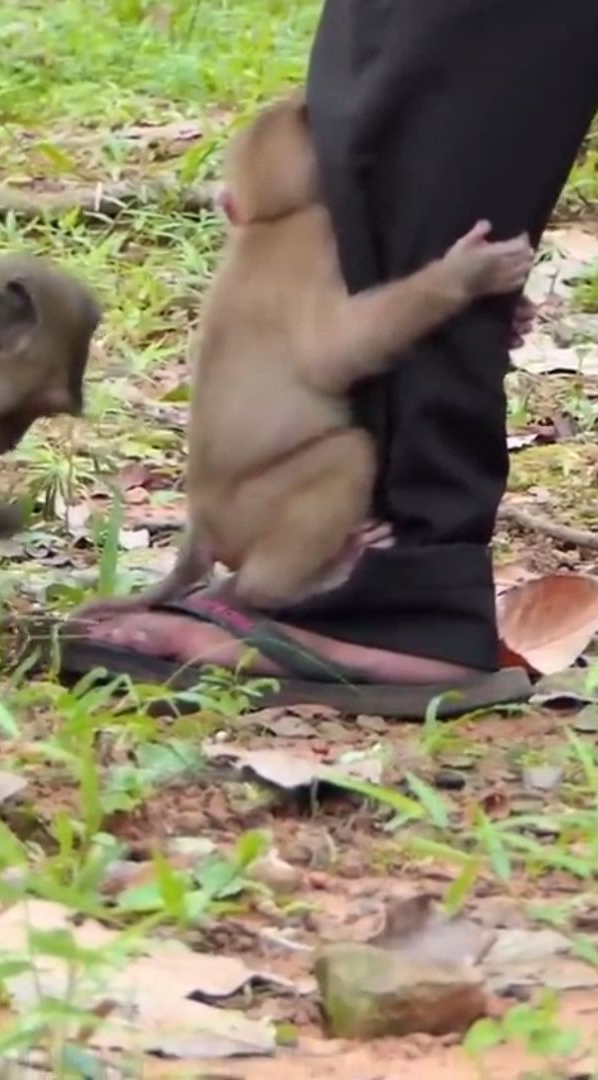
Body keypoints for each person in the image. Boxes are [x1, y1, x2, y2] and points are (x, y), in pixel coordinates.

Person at [59, 1, 598, 717]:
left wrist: (453, 296)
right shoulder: (292, 249)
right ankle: (378, 582)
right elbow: (340, 342)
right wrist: (453, 297)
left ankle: (393, 588)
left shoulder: (275, 249)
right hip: (272, 483)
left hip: (266, 485)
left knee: (420, 59)